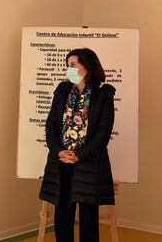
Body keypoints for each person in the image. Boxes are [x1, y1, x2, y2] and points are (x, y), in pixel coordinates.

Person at [39, 48, 116, 242]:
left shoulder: (103, 93)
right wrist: (59, 152)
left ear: (87, 67)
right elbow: (51, 124)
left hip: (89, 163)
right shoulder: (63, 90)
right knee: (62, 214)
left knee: (88, 217)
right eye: (68, 65)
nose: (69, 69)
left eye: (73, 65)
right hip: (62, 161)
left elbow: (103, 132)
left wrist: (79, 155)